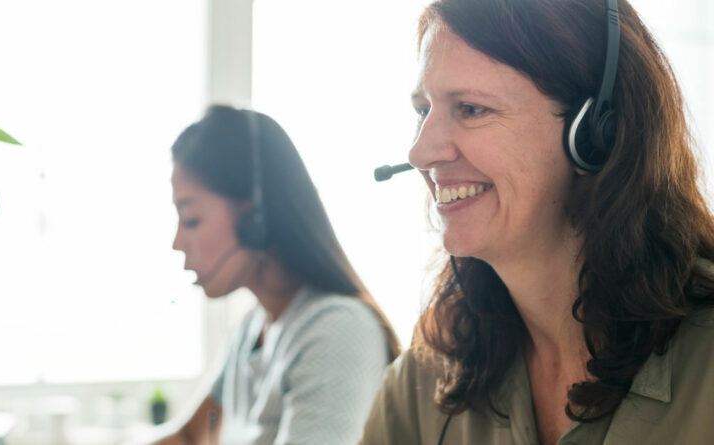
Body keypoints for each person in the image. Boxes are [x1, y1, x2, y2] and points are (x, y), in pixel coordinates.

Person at [361, 0, 714, 444]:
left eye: (471, 109)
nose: (419, 153)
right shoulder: (425, 377)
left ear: (595, 132)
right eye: (422, 110)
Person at [153, 105, 401, 445]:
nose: (177, 243)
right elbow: (186, 437)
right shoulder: (250, 331)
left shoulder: (336, 330)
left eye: (192, 219)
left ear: (255, 218)